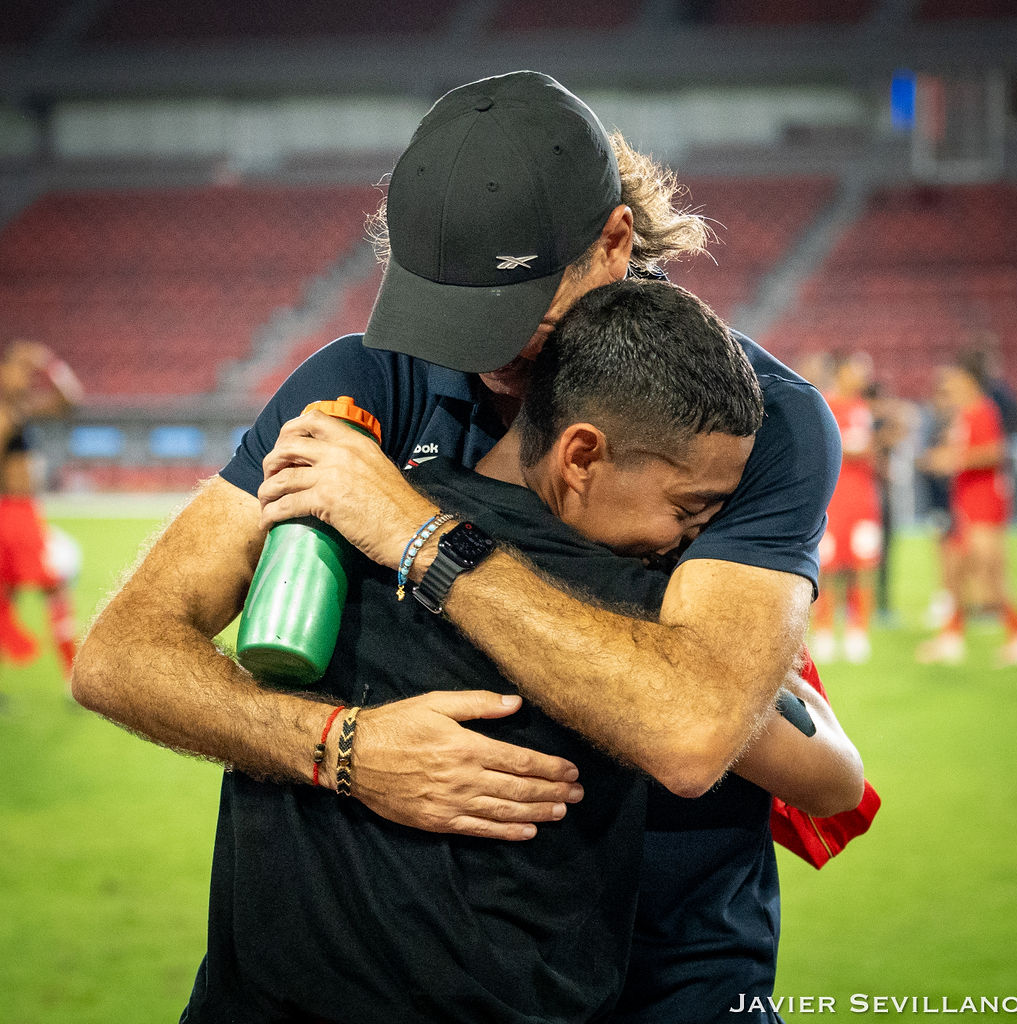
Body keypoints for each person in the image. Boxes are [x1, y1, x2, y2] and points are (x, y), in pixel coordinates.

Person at [72, 70, 844, 1014]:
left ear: (613, 242)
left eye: (519, 324)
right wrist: (336, 745)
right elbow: (121, 654)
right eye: (453, 313)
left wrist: (415, 531)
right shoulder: (372, 380)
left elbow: (693, 732)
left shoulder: (749, 425)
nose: (482, 358)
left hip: (666, 971)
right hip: (359, 976)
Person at [172, 279, 861, 1022]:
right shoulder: (633, 601)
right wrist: (345, 748)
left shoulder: (342, 518)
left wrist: (327, 741)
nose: (690, 537)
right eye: (688, 510)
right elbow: (820, 772)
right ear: (581, 456)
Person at [916, 356, 1017, 666]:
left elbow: (994, 452)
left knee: (990, 571)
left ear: (969, 381)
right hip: (965, 500)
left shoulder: (983, 411)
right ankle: (952, 638)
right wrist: (939, 457)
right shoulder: (965, 413)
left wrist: (955, 460)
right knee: (960, 571)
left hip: (984, 501)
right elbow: (963, 450)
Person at [0, 340, 84, 686]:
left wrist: (51, 365)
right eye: (21, 369)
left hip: (22, 513)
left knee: (9, 596)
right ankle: (74, 678)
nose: (28, 377)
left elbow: (70, 401)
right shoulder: (6, 412)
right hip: (13, 515)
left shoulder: (20, 408)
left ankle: (72, 676)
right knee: (55, 583)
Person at [811, 352, 883, 663]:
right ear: (841, 372)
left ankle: (857, 631)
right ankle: (824, 631)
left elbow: (866, 449)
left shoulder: (862, 407)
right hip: (832, 501)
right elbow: (831, 446)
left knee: (862, 568)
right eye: (856, 371)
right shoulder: (823, 404)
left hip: (863, 501)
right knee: (826, 568)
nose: (862, 377)